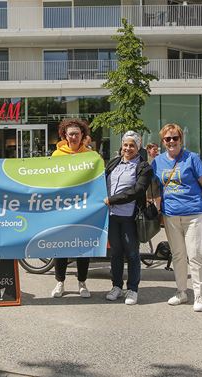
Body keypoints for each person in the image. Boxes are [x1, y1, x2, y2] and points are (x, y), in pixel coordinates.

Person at [152, 123, 202, 312]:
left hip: (194, 213)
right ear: (163, 142)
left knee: (195, 255)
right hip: (171, 215)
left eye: (175, 138)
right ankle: (181, 292)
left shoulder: (192, 158)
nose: (171, 141)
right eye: (167, 139)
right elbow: (157, 189)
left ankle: (199, 296)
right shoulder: (158, 161)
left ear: (181, 139)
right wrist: (158, 211)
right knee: (178, 255)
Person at [104, 131, 153, 305]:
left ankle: (132, 289)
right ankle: (116, 286)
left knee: (132, 253)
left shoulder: (143, 166)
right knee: (116, 253)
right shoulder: (114, 162)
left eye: (132, 145)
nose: (128, 148)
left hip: (130, 217)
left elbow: (137, 191)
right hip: (112, 216)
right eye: (125, 144)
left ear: (138, 147)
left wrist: (112, 200)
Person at [50, 118, 94, 298]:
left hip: (83, 208)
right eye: (71, 134)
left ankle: (82, 282)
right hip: (63, 208)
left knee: (82, 246)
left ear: (83, 135)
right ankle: (59, 282)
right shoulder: (56, 156)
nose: (74, 137)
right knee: (61, 246)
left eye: (77, 133)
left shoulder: (91, 156)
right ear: (65, 136)